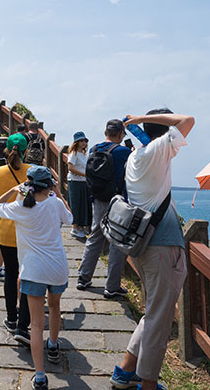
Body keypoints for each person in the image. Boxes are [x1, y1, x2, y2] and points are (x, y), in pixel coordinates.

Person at [111, 109, 195, 390]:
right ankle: (148, 383)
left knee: (154, 313)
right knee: (159, 319)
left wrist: (142, 125)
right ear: (163, 132)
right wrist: (140, 122)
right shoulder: (157, 151)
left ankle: (125, 372)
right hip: (162, 247)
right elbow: (188, 121)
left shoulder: (136, 156)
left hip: (143, 245)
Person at [0, 165, 73, 390]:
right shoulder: (55, 203)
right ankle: (54, 345)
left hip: (33, 271)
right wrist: (58, 193)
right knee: (55, 307)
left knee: (36, 326)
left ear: (29, 185)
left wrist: (14, 190)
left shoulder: (19, 207)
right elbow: (70, 218)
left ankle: (40, 376)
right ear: (49, 185)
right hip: (57, 268)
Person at [76, 119, 130, 298]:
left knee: (95, 236)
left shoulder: (94, 150)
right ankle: (112, 286)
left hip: (98, 199)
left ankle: (83, 278)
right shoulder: (123, 151)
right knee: (116, 241)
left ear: (106, 132)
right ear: (121, 135)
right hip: (117, 201)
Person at [0, 133, 32, 345]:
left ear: (6, 149)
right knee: (25, 276)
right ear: (26, 151)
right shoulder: (31, 172)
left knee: (10, 275)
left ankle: (11, 318)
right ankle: (24, 324)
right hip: (26, 233)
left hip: (5, 232)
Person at [67, 131, 90, 239]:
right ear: (76, 142)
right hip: (75, 181)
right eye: (81, 141)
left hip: (83, 181)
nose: (83, 143)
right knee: (75, 204)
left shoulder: (84, 155)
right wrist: (84, 174)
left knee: (82, 204)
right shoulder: (74, 154)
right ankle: (75, 227)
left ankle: (80, 226)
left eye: (84, 141)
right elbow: (70, 168)